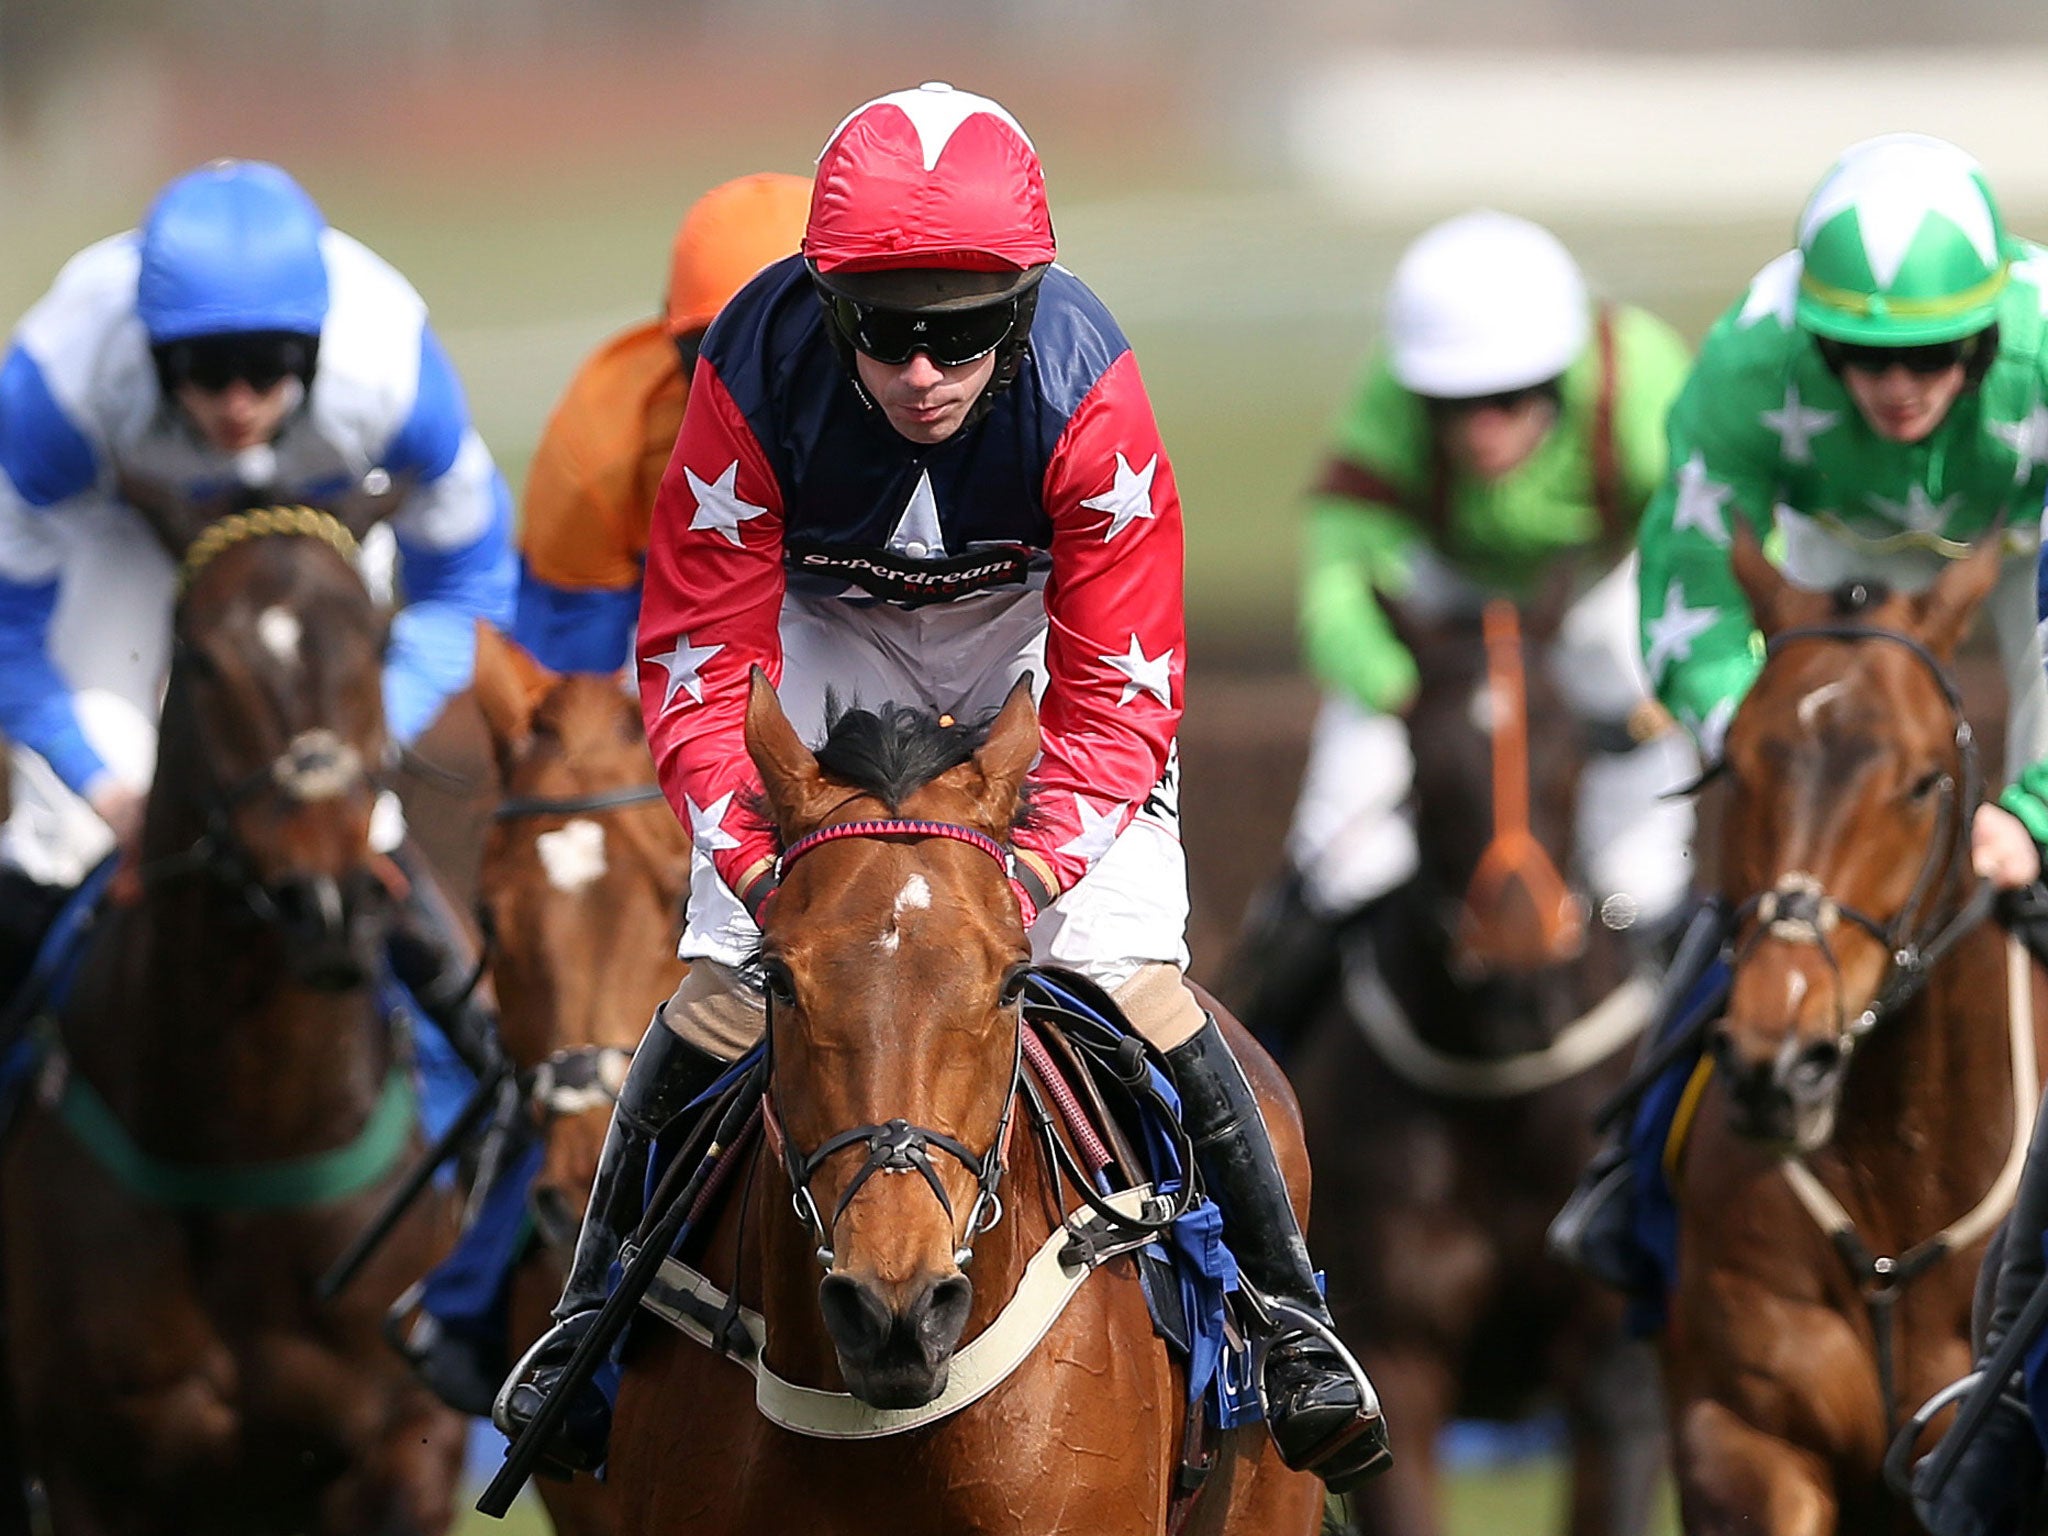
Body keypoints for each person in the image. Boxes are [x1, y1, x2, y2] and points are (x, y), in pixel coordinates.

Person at [495, 81, 1390, 1492]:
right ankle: (586, 1328)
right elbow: (690, 658)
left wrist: (1022, 876)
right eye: (887, 332)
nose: (924, 371)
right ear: (826, 303)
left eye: (965, 332)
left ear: (1023, 309)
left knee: (1139, 979)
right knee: (722, 987)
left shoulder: (1093, 396)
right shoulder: (751, 362)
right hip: (824, 637)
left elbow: (1125, 692)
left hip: (1031, 651)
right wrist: (757, 867)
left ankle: (1292, 1320)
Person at [1549, 133, 2048, 1294]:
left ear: (1984, 334)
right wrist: (1752, 747)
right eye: (1861, 355)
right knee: (1771, 867)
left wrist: (2029, 811)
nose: (1897, 384)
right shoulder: (1744, 363)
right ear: (1812, 339)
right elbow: (1685, 582)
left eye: (1933, 353)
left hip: (2022, 543)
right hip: (1833, 547)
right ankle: (1630, 1168)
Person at [0, 158, 514, 1068]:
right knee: (68, 830)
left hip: (321, 541)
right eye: (202, 368)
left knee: (356, 824)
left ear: (315, 349)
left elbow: (471, 583)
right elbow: (9, 631)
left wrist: (367, 729)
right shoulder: (58, 392)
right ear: (149, 350)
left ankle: (492, 1079)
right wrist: (99, 781)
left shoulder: (396, 378)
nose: (237, 401)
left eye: (270, 365)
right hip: (119, 539)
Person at [1232, 210, 1696, 1052]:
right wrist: (1395, 687)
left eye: (1509, 400)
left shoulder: (1643, 382)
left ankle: (1689, 1074)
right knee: (1341, 855)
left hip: (1604, 583)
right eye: (1452, 405)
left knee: (1641, 875)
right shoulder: (1387, 395)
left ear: (1563, 377)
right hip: (1445, 598)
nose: (1481, 431)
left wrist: (1681, 675)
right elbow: (1340, 572)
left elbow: (1710, 535)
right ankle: (1247, 1083)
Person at [513, 171, 811, 674]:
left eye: (784, 351)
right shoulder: (598, 451)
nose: (749, 386)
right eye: (716, 351)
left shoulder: (931, 400)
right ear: (665, 334)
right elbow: (576, 684)